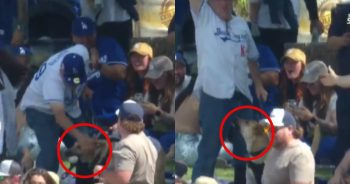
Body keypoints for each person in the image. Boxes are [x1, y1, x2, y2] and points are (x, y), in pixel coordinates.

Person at [189, 0, 267, 182]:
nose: (225, 3)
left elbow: (252, 58)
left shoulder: (241, 25)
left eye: (228, 0)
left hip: (242, 95)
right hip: (214, 94)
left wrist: (258, 84)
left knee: (245, 149)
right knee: (209, 148)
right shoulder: (203, 16)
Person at [20, 52, 96, 172]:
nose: (73, 85)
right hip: (40, 110)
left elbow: (88, 44)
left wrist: (84, 88)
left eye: (77, 82)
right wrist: (80, 137)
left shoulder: (84, 54)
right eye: (70, 81)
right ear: (61, 72)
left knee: (87, 149)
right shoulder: (52, 81)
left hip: (68, 107)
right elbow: (60, 118)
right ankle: (44, 179)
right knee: (50, 153)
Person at [95, 99, 157, 184]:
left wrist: (101, 171)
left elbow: (122, 179)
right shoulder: (149, 143)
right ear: (141, 122)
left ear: (120, 121)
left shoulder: (126, 145)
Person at [290, 60, 337, 163]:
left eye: (312, 83)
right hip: (309, 139)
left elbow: (335, 128)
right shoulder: (306, 98)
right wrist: (299, 128)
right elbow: (300, 125)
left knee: (327, 144)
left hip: (327, 140)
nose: (308, 86)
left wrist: (312, 119)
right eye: (306, 83)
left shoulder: (334, 99)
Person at [249, 0, 323, 60]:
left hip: (285, 27)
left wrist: (314, 18)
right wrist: (254, 24)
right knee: (278, 65)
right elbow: (255, 3)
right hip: (271, 27)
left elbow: (254, 3)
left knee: (285, 62)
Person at [261, 108, 315, 184]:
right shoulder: (273, 149)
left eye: (274, 128)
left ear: (290, 129)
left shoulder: (300, 154)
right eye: (267, 128)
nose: (270, 132)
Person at [326, 2, 350, 165]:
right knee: (345, 132)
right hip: (345, 89)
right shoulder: (347, 13)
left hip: (342, 81)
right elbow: (331, 42)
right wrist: (344, 40)